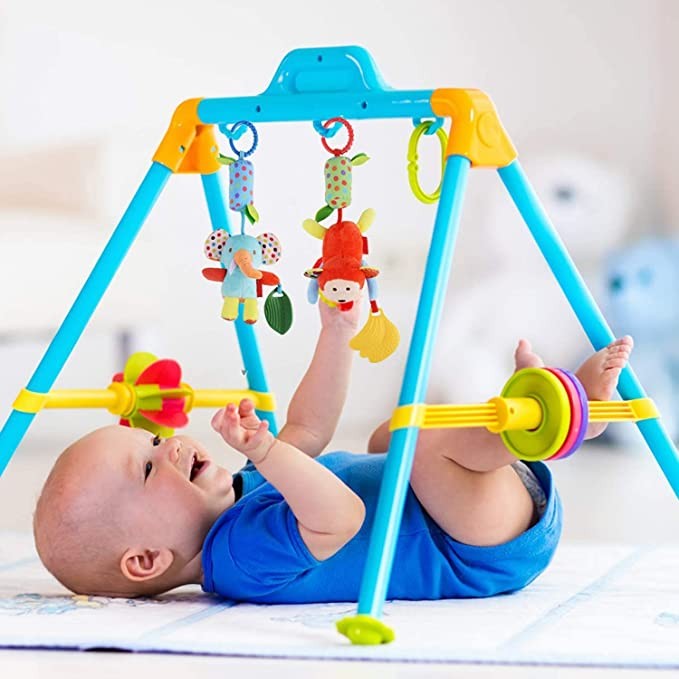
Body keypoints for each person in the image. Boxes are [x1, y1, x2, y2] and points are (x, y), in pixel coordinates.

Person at [33, 300, 633, 602]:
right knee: (417, 446)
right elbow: (341, 515)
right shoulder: (239, 558)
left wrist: (336, 334)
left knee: (386, 440)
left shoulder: (240, 495)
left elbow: (310, 427)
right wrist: (267, 450)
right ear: (147, 560)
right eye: (146, 466)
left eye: (154, 438)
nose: (169, 445)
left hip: (470, 512)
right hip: (474, 550)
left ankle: (543, 419)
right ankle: (556, 424)